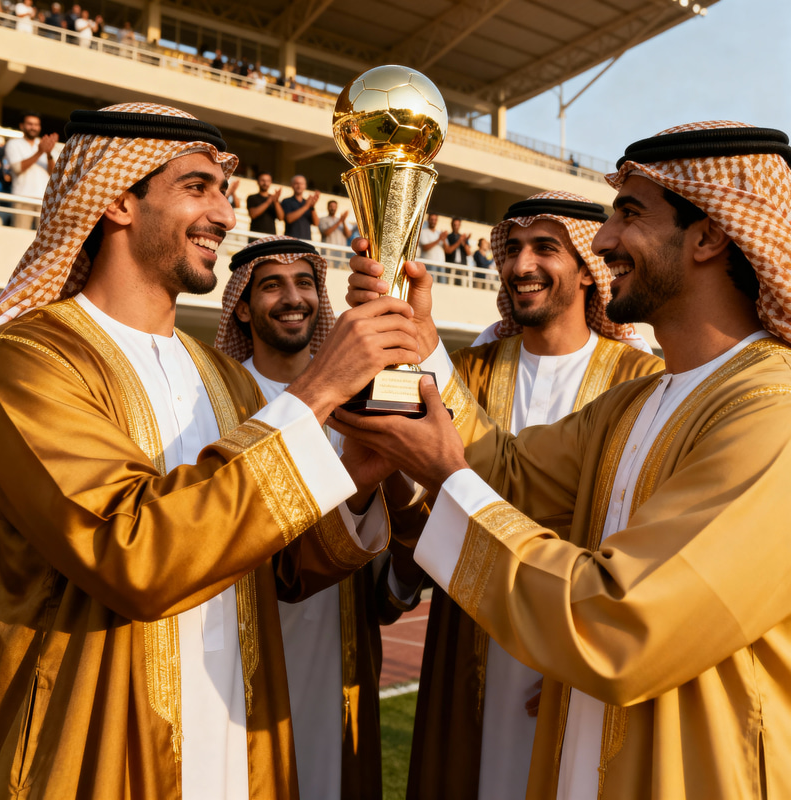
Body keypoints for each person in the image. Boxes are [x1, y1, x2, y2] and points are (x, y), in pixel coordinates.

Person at [336, 121, 791, 799]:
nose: (604, 240)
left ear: (710, 235)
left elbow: (623, 625)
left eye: (630, 214)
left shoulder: (771, 412)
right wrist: (420, 343)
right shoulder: (636, 403)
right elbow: (510, 474)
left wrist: (446, 474)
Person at [0, 102, 423, 799]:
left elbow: (280, 568)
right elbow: (132, 553)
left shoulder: (223, 379)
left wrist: (360, 476)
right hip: (100, 743)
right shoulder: (27, 363)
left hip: (240, 734)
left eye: (226, 191)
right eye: (198, 187)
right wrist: (313, 392)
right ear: (118, 200)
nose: (225, 214)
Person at [401, 192, 663, 800]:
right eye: (512, 248)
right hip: (468, 633)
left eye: (547, 248)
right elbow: (425, 494)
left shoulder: (640, 381)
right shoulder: (465, 370)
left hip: (581, 644)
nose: (522, 266)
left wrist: (589, 654)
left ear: (587, 268)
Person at [216, 236, 416, 799]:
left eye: (304, 283)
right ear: (241, 304)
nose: (292, 298)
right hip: (246, 629)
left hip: (340, 625)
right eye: (272, 285)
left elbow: (403, 515)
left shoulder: (358, 395)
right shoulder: (220, 396)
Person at [4, 112, 58, 230]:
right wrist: (39, 152)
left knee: (42, 241)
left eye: (36, 124)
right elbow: (17, 168)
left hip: (44, 201)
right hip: (22, 198)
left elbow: (55, 174)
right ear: (22, 126)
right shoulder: (13, 144)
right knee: (19, 237)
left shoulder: (45, 144)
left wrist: (48, 153)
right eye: (30, 124)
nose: (33, 127)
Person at [281, 175, 319, 240]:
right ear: (292, 185)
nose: (299, 186)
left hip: (306, 241)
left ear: (305, 186)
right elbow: (289, 219)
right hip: (290, 240)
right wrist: (306, 206)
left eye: (302, 184)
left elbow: (316, 223)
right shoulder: (287, 201)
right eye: (297, 183)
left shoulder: (307, 202)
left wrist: (312, 207)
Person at [318, 199, 352, 269]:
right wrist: (340, 221)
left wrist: (343, 221)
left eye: (334, 206)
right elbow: (325, 233)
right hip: (327, 255)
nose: (333, 208)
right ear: (327, 207)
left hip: (340, 255)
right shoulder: (322, 219)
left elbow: (348, 235)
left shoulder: (342, 220)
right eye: (331, 206)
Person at [417, 212, 447, 282]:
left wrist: (444, 239)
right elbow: (425, 247)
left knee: (442, 286)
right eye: (431, 219)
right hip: (430, 264)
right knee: (431, 284)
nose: (433, 221)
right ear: (428, 220)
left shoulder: (439, 233)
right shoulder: (423, 232)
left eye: (435, 220)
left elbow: (447, 250)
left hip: (441, 263)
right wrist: (439, 239)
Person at [444, 217, 472, 285]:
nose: (456, 227)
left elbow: (469, 253)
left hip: (462, 266)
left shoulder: (463, 238)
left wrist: (465, 242)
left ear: (460, 226)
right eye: (454, 225)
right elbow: (448, 250)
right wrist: (459, 241)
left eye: (457, 225)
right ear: (451, 225)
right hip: (451, 266)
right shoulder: (448, 237)